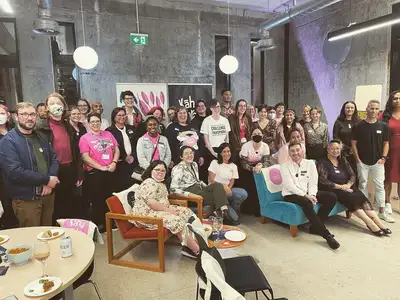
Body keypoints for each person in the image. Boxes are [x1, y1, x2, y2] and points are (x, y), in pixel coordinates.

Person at [0, 102, 60, 227]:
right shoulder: (8, 141)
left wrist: (51, 180)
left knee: (48, 234)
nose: (29, 118)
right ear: (16, 117)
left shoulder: (42, 137)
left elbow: (54, 158)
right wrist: (47, 179)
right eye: (24, 114)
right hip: (27, 199)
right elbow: (15, 172)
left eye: (32, 114)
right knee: (32, 238)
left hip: (48, 194)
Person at [317, 140, 391, 236]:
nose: (335, 151)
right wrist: (341, 187)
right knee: (351, 198)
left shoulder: (343, 160)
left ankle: (378, 221)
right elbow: (323, 181)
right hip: (334, 189)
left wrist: (348, 185)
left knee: (360, 195)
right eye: (333, 148)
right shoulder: (322, 162)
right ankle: (369, 223)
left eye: (337, 148)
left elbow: (352, 175)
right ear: (328, 150)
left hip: (346, 187)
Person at [132, 160, 200, 259]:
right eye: (157, 170)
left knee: (187, 211)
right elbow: (151, 203)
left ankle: (192, 243)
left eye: (163, 171)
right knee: (176, 221)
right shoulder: (149, 183)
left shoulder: (161, 183)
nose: (160, 172)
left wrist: (171, 209)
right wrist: (169, 211)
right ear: (151, 170)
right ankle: (197, 250)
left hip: (159, 210)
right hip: (146, 215)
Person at [281, 142, 340, 249]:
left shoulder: (310, 163)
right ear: (289, 153)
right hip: (291, 194)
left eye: (297, 150)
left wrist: (312, 194)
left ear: (302, 151)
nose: (295, 153)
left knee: (331, 197)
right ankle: (326, 235)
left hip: (308, 192)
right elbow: (290, 186)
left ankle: (315, 227)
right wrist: (306, 196)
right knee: (307, 202)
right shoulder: (284, 166)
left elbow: (313, 182)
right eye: (292, 151)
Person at [37, 93, 84, 223]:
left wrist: (79, 173)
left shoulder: (68, 126)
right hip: (53, 173)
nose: (56, 106)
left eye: (59, 103)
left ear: (64, 107)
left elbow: (76, 150)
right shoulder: (42, 128)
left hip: (69, 170)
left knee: (69, 206)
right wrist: (45, 177)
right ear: (46, 107)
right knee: (54, 209)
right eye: (52, 103)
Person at [170, 146, 238, 225]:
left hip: (200, 190)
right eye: (186, 154)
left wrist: (207, 187)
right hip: (190, 195)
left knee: (218, 186)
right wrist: (189, 194)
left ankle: (224, 212)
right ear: (181, 157)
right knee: (219, 195)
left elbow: (197, 181)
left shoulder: (194, 164)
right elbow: (173, 189)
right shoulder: (178, 169)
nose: (190, 155)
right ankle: (223, 214)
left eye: (191, 153)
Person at [351, 100, 394, 223]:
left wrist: (384, 158)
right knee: (363, 184)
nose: (373, 111)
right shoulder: (358, 126)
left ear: (379, 110)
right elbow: (353, 144)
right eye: (371, 108)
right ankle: (366, 209)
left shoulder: (383, 126)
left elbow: (386, 143)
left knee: (380, 186)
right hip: (362, 162)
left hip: (378, 162)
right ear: (366, 109)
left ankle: (381, 212)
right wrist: (357, 159)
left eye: (376, 109)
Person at [79, 112, 120, 231]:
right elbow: (85, 157)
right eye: (92, 122)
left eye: (97, 121)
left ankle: (110, 222)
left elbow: (116, 149)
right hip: (95, 173)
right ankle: (100, 224)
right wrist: (100, 167)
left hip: (110, 170)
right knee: (97, 199)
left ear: (101, 122)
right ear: (88, 123)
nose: (95, 124)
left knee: (110, 198)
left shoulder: (108, 134)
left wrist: (114, 162)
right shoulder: (85, 138)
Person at [208, 143, 248, 222]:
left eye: (228, 151)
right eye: (224, 151)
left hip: (227, 190)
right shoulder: (214, 163)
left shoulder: (233, 166)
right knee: (234, 219)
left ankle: (228, 207)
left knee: (243, 193)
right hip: (215, 189)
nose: (227, 154)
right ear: (220, 153)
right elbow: (211, 180)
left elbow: (232, 181)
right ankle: (223, 208)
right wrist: (224, 187)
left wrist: (228, 189)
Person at [238, 128, 270, 216]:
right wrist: (252, 169)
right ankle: (247, 208)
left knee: (259, 188)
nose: (257, 135)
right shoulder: (246, 146)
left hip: (260, 169)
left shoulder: (265, 146)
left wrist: (261, 166)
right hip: (247, 170)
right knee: (250, 188)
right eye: (255, 133)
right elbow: (243, 163)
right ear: (251, 136)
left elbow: (267, 161)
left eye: (259, 133)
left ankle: (258, 209)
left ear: (262, 136)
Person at [106, 108, 136, 192]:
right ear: (114, 117)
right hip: (119, 165)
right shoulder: (109, 131)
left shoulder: (131, 128)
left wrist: (133, 156)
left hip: (133, 163)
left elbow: (136, 143)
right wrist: (124, 157)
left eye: (123, 115)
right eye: (119, 115)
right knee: (121, 188)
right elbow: (110, 148)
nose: (122, 117)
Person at [379, 90, 400, 211]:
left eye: (399, 98)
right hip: (389, 150)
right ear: (391, 101)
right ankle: (387, 203)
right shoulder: (384, 115)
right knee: (388, 177)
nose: (397, 101)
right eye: (395, 98)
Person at [0, 104, 18, 229]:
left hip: (18, 175)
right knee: (7, 209)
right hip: (2, 178)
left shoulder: (15, 131)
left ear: (8, 115)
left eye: (2, 113)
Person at [201, 99, 231, 168]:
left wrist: (226, 150)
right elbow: (206, 140)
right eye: (214, 107)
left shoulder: (225, 120)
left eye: (218, 106)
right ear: (211, 108)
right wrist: (213, 153)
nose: (216, 109)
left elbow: (227, 138)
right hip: (211, 150)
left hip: (223, 150)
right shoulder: (206, 121)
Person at [333, 101, 359, 172]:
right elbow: (335, 137)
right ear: (344, 109)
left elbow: (362, 136)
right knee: (344, 172)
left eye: (352, 108)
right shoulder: (338, 122)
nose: (350, 109)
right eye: (347, 108)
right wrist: (348, 149)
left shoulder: (359, 122)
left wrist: (354, 149)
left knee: (356, 172)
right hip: (343, 152)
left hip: (357, 153)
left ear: (355, 109)